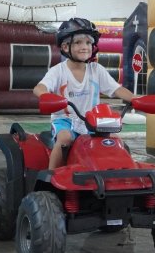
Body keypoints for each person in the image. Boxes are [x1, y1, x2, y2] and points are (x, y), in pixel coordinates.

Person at [33, 18, 135, 170]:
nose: (85, 47)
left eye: (88, 43)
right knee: (65, 139)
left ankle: (121, 178)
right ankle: (51, 176)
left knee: (115, 140)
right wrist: (45, 95)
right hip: (65, 121)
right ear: (65, 46)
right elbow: (39, 88)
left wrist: (137, 99)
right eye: (78, 42)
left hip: (92, 122)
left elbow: (116, 89)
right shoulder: (58, 71)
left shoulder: (96, 69)